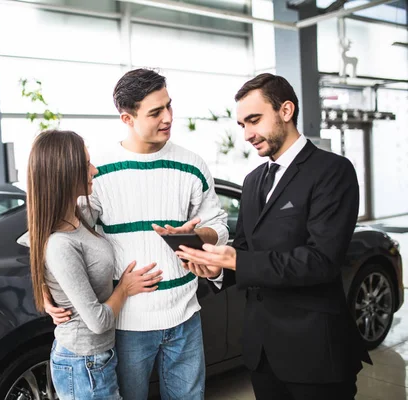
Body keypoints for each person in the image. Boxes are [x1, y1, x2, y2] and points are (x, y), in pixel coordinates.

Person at [176, 73, 372, 400]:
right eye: (242, 125)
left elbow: (322, 261)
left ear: (286, 110)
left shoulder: (332, 172)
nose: (248, 134)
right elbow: (246, 249)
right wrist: (219, 268)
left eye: (254, 120)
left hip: (315, 353)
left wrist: (238, 259)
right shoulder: (253, 181)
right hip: (262, 352)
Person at [45, 69, 229, 399]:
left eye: (169, 106)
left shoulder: (193, 165)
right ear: (127, 117)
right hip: (128, 324)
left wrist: (196, 234)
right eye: (156, 112)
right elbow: (55, 236)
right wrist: (44, 293)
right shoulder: (97, 171)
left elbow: (219, 225)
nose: (168, 118)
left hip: (186, 315)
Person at [27, 130, 163, 400]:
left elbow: (30, 240)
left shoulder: (79, 217)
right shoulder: (60, 244)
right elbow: (98, 322)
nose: (95, 169)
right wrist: (124, 288)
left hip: (96, 359)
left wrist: (45, 287)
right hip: (83, 362)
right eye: (87, 164)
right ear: (65, 174)